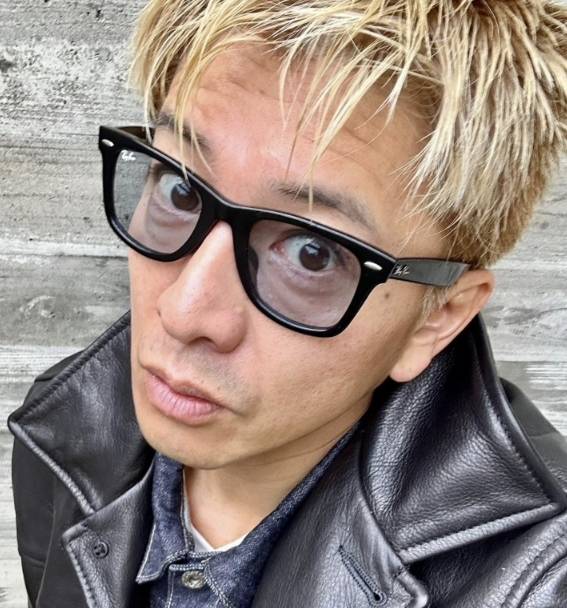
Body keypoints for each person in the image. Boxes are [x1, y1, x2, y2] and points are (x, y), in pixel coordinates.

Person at [8, 0, 567, 606]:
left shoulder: (536, 583)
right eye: (179, 190)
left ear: (437, 319)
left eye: (311, 253)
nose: (184, 313)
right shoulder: (67, 429)